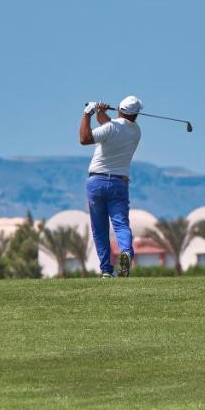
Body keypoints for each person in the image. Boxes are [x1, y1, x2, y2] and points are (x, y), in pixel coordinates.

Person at [79, 96, 143, 278]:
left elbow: (84, 139)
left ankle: (106, 270)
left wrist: (87, 114)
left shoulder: (111, 127)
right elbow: (112, 128)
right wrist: (101, 113)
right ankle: (126, 253)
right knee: (121, 224)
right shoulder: (136, 131)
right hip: (119, 183)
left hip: (97, 182)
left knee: (99, 228)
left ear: (119, 110)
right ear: (136, 114)